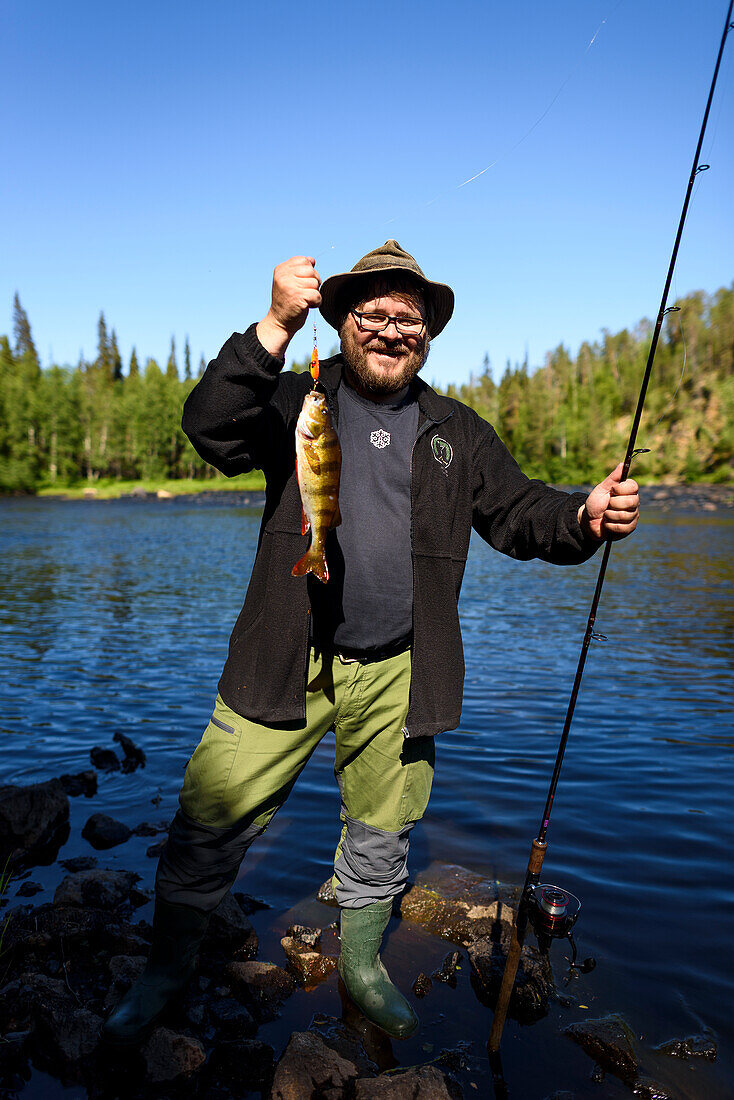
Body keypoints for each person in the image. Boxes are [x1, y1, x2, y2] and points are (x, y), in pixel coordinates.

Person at [103, 240, 639, 1044]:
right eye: (375, 314)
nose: (392, 330)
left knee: (383, 830)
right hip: (284, 657)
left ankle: (359, 964)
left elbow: (521, 514)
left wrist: (582, 518)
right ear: (343, 321)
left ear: (427, 336)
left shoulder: (455, 429)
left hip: (400, 669)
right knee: (208, 818)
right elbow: (209, 427)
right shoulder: (297, 403)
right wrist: (275, 324)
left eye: (409, 320)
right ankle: (165, 971)